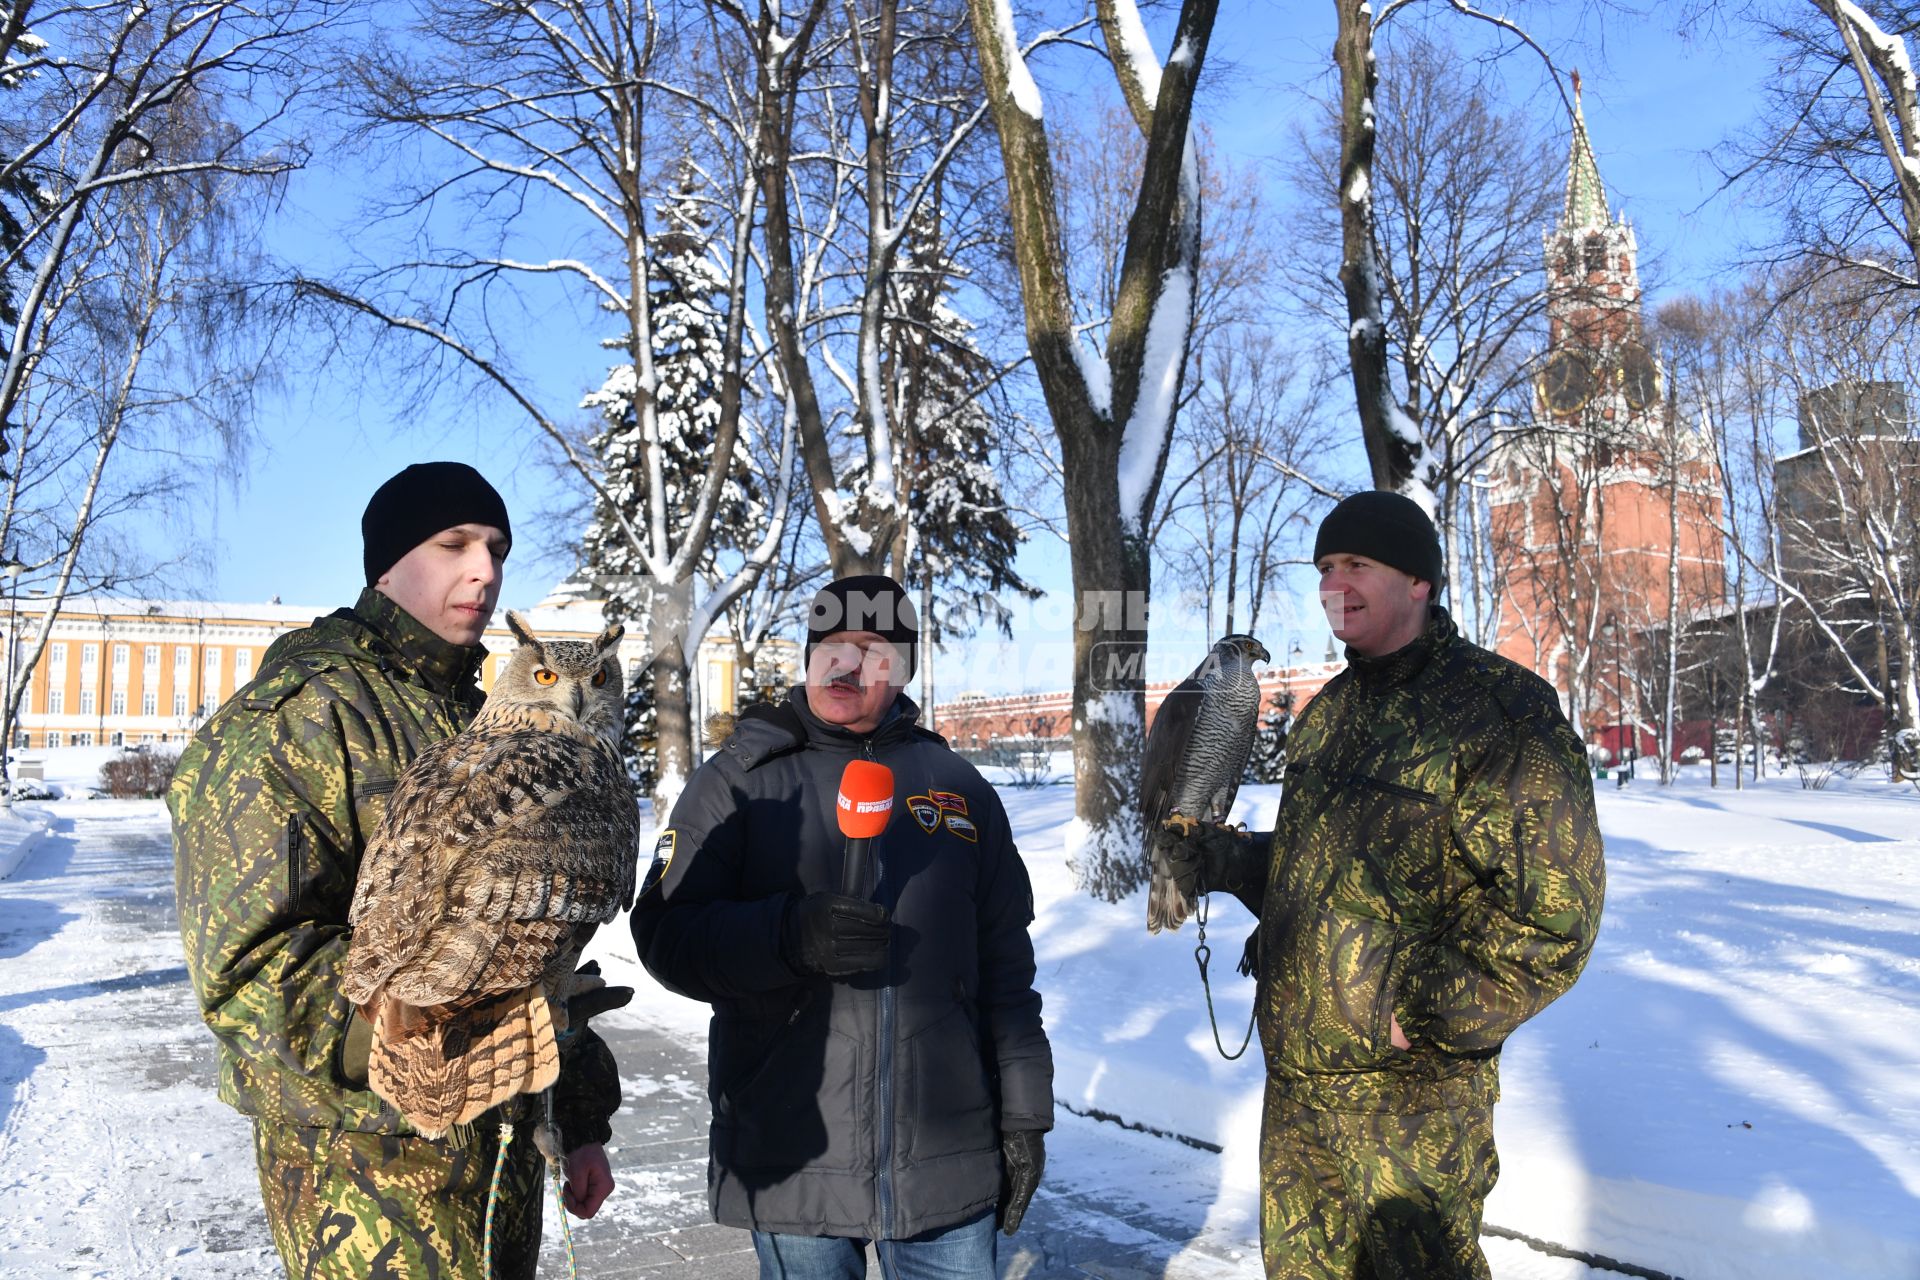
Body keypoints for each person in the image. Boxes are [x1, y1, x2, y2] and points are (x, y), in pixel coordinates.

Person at [170, 462, 623, 1279]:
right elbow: (248, 968)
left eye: (497, 550)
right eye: (453, 544)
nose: (482, 570)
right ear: (386, 564)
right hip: (368, 1169)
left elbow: (529, 943)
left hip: (502, 1155)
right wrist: (414, 1028)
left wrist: (575, 1109)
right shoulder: (304, 714)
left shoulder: (485, 720)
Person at [1158, 491, 1606, 1280]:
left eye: (1355, 565)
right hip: (1298, 1103)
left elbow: (1555, 918)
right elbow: (1323, 868)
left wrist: (1422, 1010)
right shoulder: (1326, 718)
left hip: (1411, 1107)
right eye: (1325, 569)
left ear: (1419, 581)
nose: (1335, 584)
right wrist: (1227, 865)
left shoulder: (1497, 712)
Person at [632, 573, 1052, 1279]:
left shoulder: (960, 790)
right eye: (831, 644)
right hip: (794, 1152)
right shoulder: (740, 781)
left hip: (946, 1163)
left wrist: (1025, 1115)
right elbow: (666, 935)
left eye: (874, 649)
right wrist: (787, 937)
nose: (848, 664)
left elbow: (1007, 967)